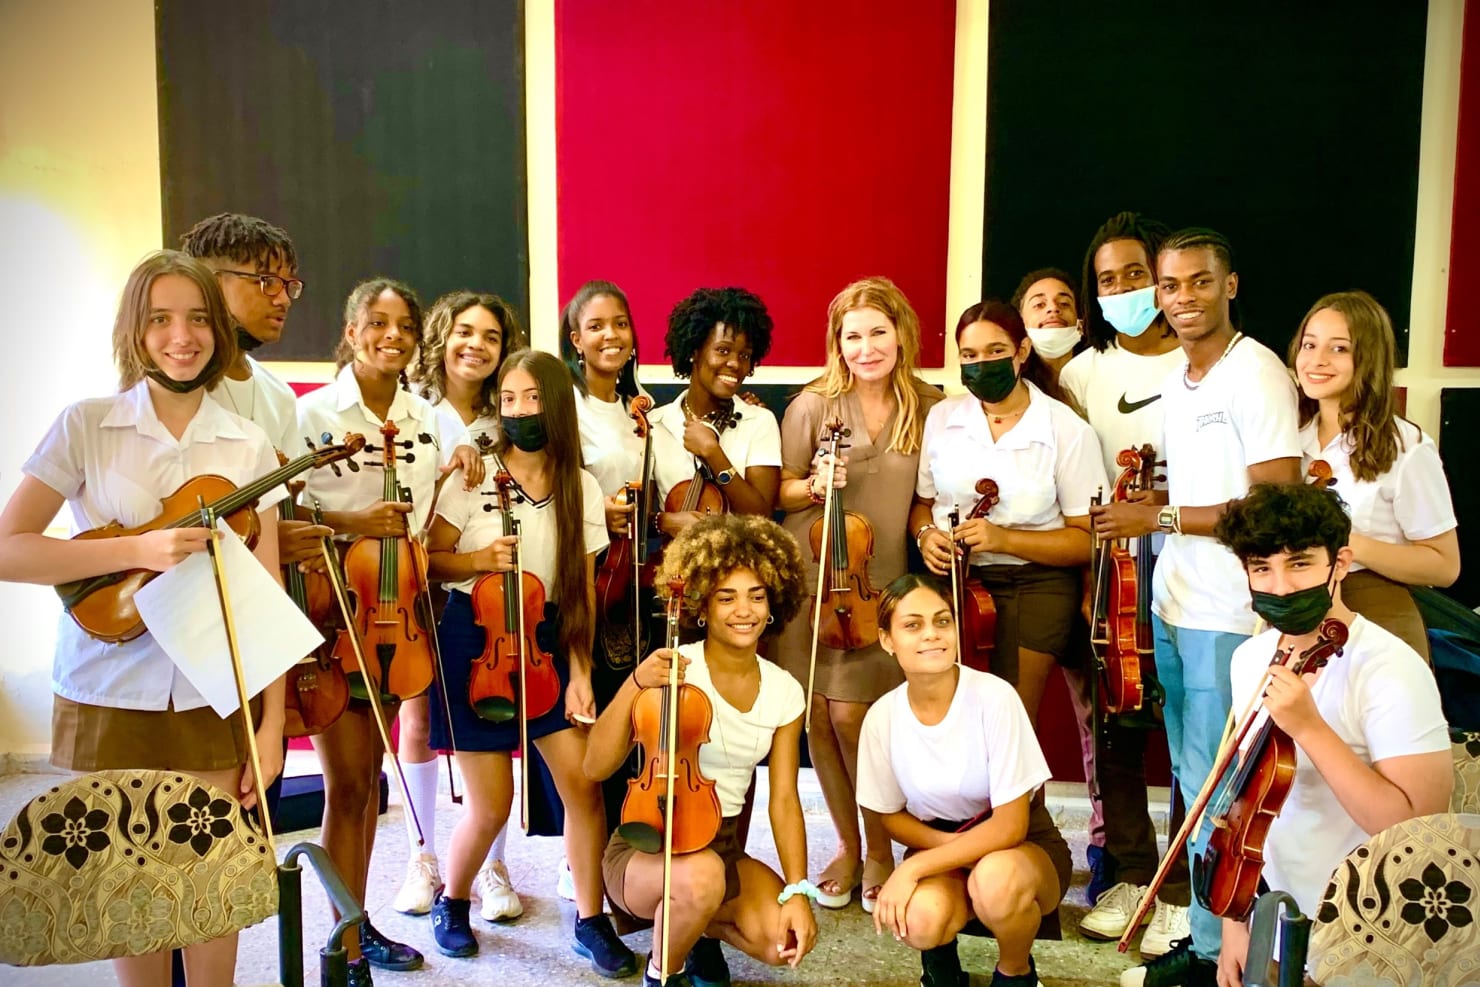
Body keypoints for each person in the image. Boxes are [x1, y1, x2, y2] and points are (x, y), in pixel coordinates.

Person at [0, 250, 286, 986]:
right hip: (107, 688)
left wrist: (273, 721)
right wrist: (141, 548)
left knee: (209, 881)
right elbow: (11, 549)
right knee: (130, 886)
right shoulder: (85, 425)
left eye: (196, 318)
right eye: (160, 318)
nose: (180, 336)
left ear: (218, 331)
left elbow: (267, 592)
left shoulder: (248, 442)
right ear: (135, 330)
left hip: (210, 691)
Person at [1092, 229, 1302, 987]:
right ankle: (1214, 942)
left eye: (1198, 283)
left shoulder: (1258, 373)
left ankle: (1224, 955)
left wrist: (1166, 518)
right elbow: (1191, 493)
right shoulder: (1183, 378)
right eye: (1171, 285)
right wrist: (1159, 507)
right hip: (1178, 605)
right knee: (1192, 777)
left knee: (1223, 788)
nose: (1181, 298)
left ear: (1231, 285)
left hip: (1230, 613)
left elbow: (1275, 500)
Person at [421, 349, 635, 974]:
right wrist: (478, 563)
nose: (518, 410)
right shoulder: (473, 474)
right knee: (491, 804)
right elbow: (430, 559)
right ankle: (452, 900)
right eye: (508, 399)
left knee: (584, 787)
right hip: (473, 638)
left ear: (556, 406)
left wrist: (581, 676)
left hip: (547, 637)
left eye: (531, 398)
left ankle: (591, 921)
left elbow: (581, 591)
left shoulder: (581, 486)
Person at [296, 277, 481, 985]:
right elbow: (279, 522)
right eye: (377, 322)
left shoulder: (429, 418)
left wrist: (465, 460)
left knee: (369, 783)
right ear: (350, 331)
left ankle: (357, 920)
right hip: (329, 617)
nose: (393, 335)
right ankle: (342, 942)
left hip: (399, 617)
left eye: (405, 324)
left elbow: (453, 487)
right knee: (347, 785)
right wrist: (350, 524)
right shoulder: (311, 416)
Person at [1210, 482, 1453, 987]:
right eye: (1262, 568)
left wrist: (1310, 728)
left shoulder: (1390, 669)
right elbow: (1245, 810)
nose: (1279, 587)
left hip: (1367, 925)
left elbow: (1418, 832)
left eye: (1299, 563)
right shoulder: (1250, 660)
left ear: (1339, 564)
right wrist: (1236, 919)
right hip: (1275, 914)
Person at [584, 513, 818, 987]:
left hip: (723, 845)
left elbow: (785, 800)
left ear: (774, 602)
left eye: (756, 595)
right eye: (726, 597)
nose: (743, 610)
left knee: (781, 941)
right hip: (647, 848)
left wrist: (798, 889)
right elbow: (595, 765)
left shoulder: (785, 691)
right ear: (701, 606)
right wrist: (634, 684)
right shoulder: (674, 668)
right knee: (702, 879)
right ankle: (661, 972)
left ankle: (692, 925)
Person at [774, 276, 943, 914]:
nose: (867, 347)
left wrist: (929, 532)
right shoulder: (813, 406)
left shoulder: (930, 405)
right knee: (818, 716)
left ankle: (880, 846)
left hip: (882, 584)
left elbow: (929, 496)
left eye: (878, 332)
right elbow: (780, 491)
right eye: (853, 336)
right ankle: (848, 845)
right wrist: (815, 486)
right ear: (836, 343)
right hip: (816, 574)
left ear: (900, 332)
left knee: (858, 720)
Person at [1061, 213, 1190, 952]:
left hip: (1192, 564)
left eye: (1134, 275)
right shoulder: (1085, 372)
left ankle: (1182, 885)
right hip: (1112, 571)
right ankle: (1130, 874)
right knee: (1116, 724)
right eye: (1107, 280)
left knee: (1190, 729)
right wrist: (1089, 570)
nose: (1121, 290)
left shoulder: (1204, 362)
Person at [857, 573, 1072, 987]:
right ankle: (941, 969)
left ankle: (1015, 973)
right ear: (887, 639)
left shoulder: (995, 697)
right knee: (918, 918)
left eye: (942, 621)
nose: (932, 635)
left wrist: (914, 867)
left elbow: (1012, 825)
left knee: (994, 881)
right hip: (938, 839)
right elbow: (890, 816)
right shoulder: (881, 717)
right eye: (912, 625)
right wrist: (949, 852)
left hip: (1018, 845)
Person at [911, 300, 1108, 726]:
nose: (982, 363)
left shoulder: (1065, 429)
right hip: (958, 582)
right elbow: (923, 504)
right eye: (970, 355)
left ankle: (1022, 796)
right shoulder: (942, 417)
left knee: (1009, 720)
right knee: (953, 713)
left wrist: (1004, 539)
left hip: (1035, 583)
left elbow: (1088, 539)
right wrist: (926, 535)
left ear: (1021, 351)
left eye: (995, 351)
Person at [393, 289, 526, 920]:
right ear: (442, 337)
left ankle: (493, 862)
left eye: (492, 336)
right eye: (465, 332)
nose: (476, 345)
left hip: (485, 595)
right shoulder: (409, 408)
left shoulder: (508, 417)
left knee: (494, 726)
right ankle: (422, 853)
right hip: (414, 580)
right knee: (417, 723)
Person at [1288, 290, 1460, 659]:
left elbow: (1445, 565)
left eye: (1339, 349)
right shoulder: (1287, 437)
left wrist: (1347, 542)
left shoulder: (1406, 447)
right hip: (1299, 613)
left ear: (1369, 359)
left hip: (1377, 614)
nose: (1316, 361)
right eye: (1309, 345)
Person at [651, 287, 782, 537]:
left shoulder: (759, 422)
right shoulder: (656, 424)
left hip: (743, 567)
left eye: (744, 355)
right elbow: (640, 518)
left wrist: (713, 453)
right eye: (723, 350)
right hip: (674, 569)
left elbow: (761, 517)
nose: (735, 363)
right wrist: (665, 521)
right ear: (694, 351)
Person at [1010, 267, 1084, 386]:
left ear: (1080, 322)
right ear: (1020, 322)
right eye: (1039, 304)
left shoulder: (1102, 377)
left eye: (1064, 303)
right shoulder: (1011, 387)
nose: (1053, 308)